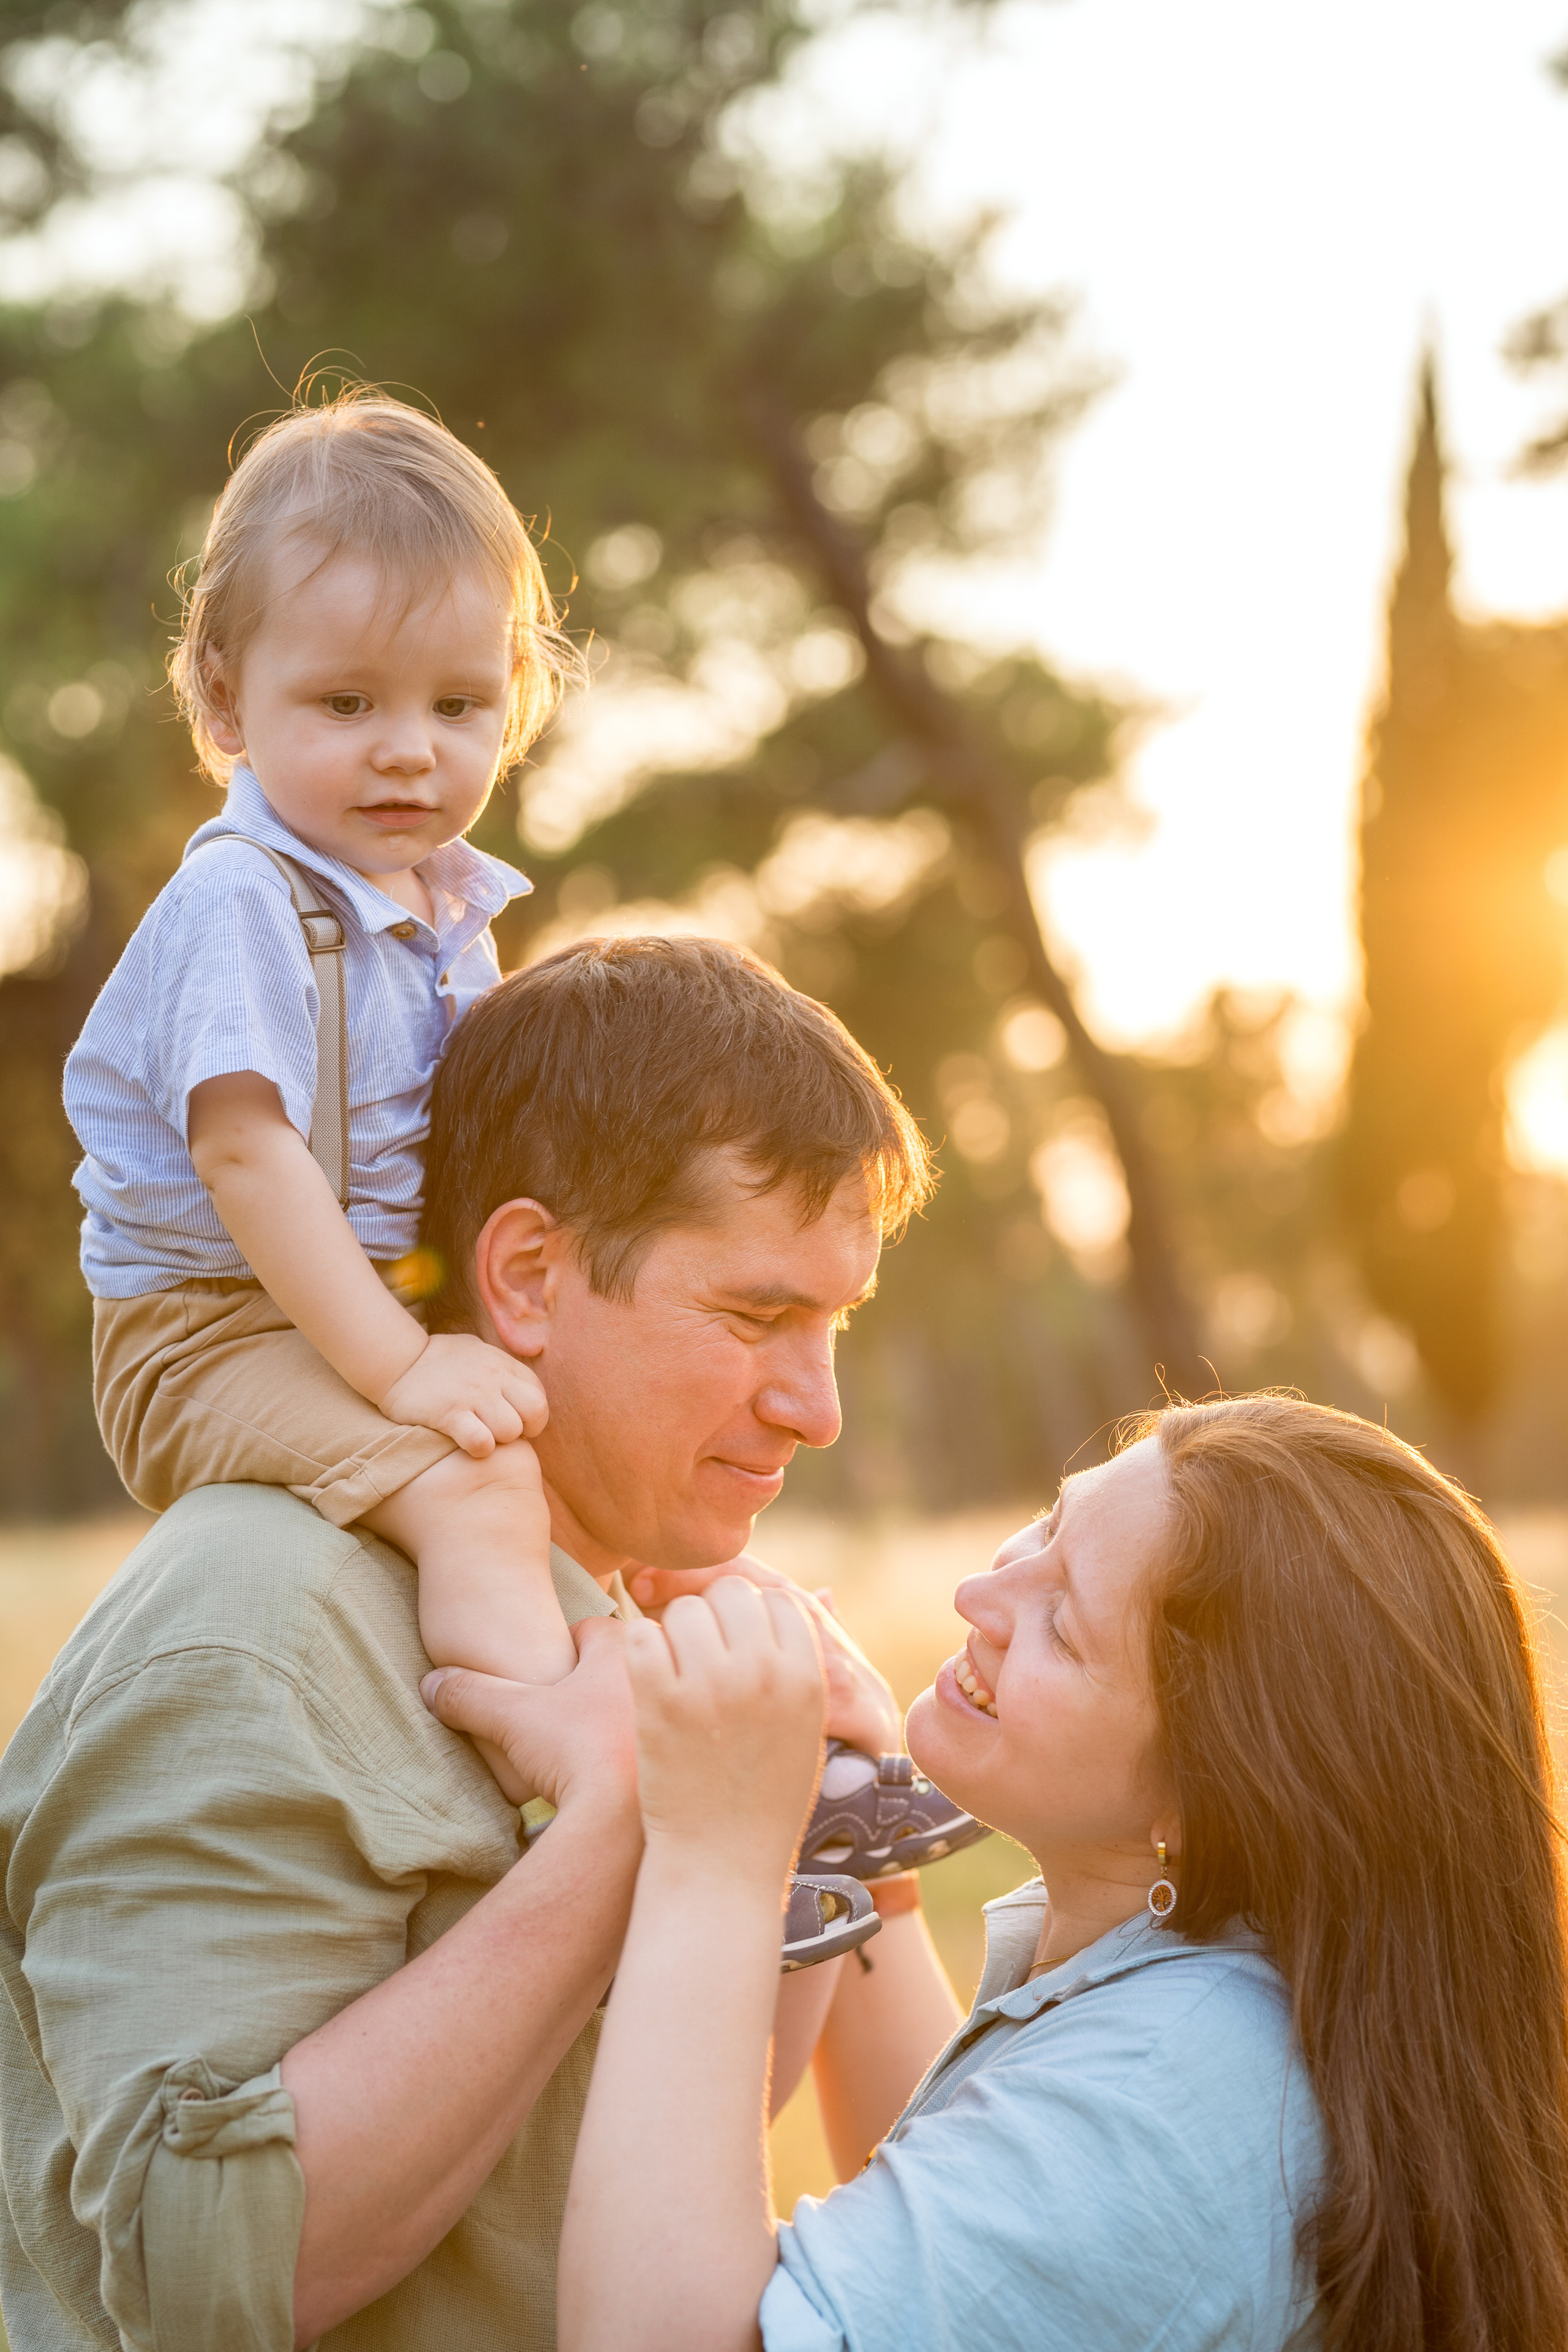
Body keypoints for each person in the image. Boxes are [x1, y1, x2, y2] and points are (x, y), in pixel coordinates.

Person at [0, 937, 938, 2350]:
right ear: (525, 1278)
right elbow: (192, 2280)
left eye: (834, 1324)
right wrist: (623, 1824)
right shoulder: (256, 1623)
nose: (818, 1407)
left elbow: (593, 2169)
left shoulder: (637, 1624)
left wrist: (810, 1823)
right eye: (755, 1317)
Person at [543, 1395, 1568, 2352]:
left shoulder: (1168, 2100)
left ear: (1218, 1791)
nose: (978, 1595)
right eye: (1045, 1526)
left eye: (1065, 1627)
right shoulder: (1217, 2002)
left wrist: (718, 1852)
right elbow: (967, 2253)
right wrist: (879, 1860)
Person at [64, 384, 591, 1725]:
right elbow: (245, 1150)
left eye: (459, 703)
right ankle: (555, 1784)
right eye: (347, 701)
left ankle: (706, 1707)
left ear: (515, 698)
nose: (409, 750)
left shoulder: (444, 909)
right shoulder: (244, 898)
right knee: (473, 1482)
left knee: (575, 1440)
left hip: (368, 1302)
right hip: (205, 1331)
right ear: (228, 700)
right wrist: (407, 1369)